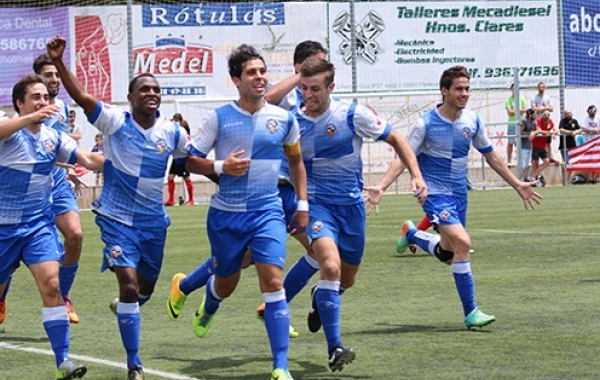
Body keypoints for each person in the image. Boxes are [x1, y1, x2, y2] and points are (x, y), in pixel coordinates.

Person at [48, 36, 190, 380]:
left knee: (144, 290)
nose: (151, 93)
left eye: (156, 89)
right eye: (144, 89)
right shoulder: (114, 120)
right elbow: (82, 98)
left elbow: (190, 164)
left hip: (154, 223)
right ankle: (134, 364)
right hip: (115, 219)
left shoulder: (173, 133)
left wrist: (222, 169)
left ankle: (128, 307)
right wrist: (61, 61)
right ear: (131, 97)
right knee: (127, 285)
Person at [0, 74, 104, 380]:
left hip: (37, 226)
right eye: (35, 97)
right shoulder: (5, 128)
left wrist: (119, 158)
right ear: (19, 103)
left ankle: (63, 361)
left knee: (52, 286)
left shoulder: (53, 137)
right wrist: (30, 118)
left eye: (45, 97)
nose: (43, 102)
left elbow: (84, 156)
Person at [370, 66, 542, 329]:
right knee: (463, 243)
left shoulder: (472, 121)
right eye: (459, 89)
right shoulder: (424, 124)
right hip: (434, 195)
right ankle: (471, 312)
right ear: (445, 91)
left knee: (449, 253)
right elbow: (403, 158)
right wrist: (381, 186)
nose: (464, 94)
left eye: (467, 89)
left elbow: (491, 156)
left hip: (459, 195)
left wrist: (517, 183)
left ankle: (413, 234)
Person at [292, 57, 426, 372]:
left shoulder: (352, 115)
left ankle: (319, 296)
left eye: (314, 89)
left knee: (346, 279)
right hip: (317, 206)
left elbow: (398, 140)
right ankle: (334, 347)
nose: (307, 95)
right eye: (303, 88)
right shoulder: (291, 121)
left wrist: (416, 176)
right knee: (330, 264)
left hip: (351, 209)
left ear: (330, 88)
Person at [184, 44, 308, 380]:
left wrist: (302, 205)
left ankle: (280, 366)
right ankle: (209, 304)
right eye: (251, 72)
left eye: (262, 71)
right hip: (226, 216)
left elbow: (295, 161)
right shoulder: (218, 118)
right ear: (236, 80)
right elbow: (188, 160)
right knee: (226, 283)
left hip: (268, 211)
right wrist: (222, 165)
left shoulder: (283, 118)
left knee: (273, 281)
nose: (260, 77)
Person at [0, 54, 85, 325]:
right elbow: (28, 152)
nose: (54, 80)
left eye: (56, 76)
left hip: (56, 184)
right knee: (15, 251)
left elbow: (57, 144)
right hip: (28, 189)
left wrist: (68, 168)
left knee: (75, 234)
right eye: (48, 75)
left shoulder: (63, 108)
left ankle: (64, 297)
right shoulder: (21, 116)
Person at [164, 113, 195, 206]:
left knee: (186, 177)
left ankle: (191, 200)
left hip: (183, 157)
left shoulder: (182, 131)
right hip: (176, 157)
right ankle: (171, 200)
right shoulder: (173, 129)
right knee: (170, 177)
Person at [531, 82, 558, 165]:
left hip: (546, 121)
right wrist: (545, 109)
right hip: (537, 121)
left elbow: (552, 108)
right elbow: (534, 109)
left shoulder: (547, 98)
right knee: (537, 140)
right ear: (537, 88)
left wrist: (542, 109)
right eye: (539, 87)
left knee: (548, 140)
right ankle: (535, 159)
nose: (541, 89)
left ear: (545, 88)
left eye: (542, 87)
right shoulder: (534, 98)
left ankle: (551, 157)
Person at [530, 111, 557, 187]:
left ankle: (532, 176)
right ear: (542, 116)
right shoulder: (538, 120)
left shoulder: (550, 121)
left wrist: (553, 132)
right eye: (544, 115)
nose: (546, 116)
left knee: (546, 161)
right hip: (536, 145)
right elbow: (539, 130)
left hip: (543, 146)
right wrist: (549, 132)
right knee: (535, 164)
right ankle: (535, 181)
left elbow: (555, 129)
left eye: (548, 115)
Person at [504, 83, 527, 167]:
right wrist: (518, 110)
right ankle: (509, 160)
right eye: (513, 89)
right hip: (512, 123)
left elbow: (525, 110)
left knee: (521, 143)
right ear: (511, 90)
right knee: (510, 143)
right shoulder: (508, 100)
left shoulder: (522, 99)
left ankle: (522, 160)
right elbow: (510, 113)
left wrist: (515, 110)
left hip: (521, 123)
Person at [519, 109, 537, 181]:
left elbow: (538, 129)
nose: (535, 116)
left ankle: (523, 178)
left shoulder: (533, 123)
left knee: (527, 164)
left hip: (529, 146)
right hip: (522, 146)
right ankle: (520, 179)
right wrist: (529, 133)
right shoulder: (524, 121)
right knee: (522, 165)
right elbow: (520, 132)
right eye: (534, 114)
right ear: (530, 114)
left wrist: (534, 133)